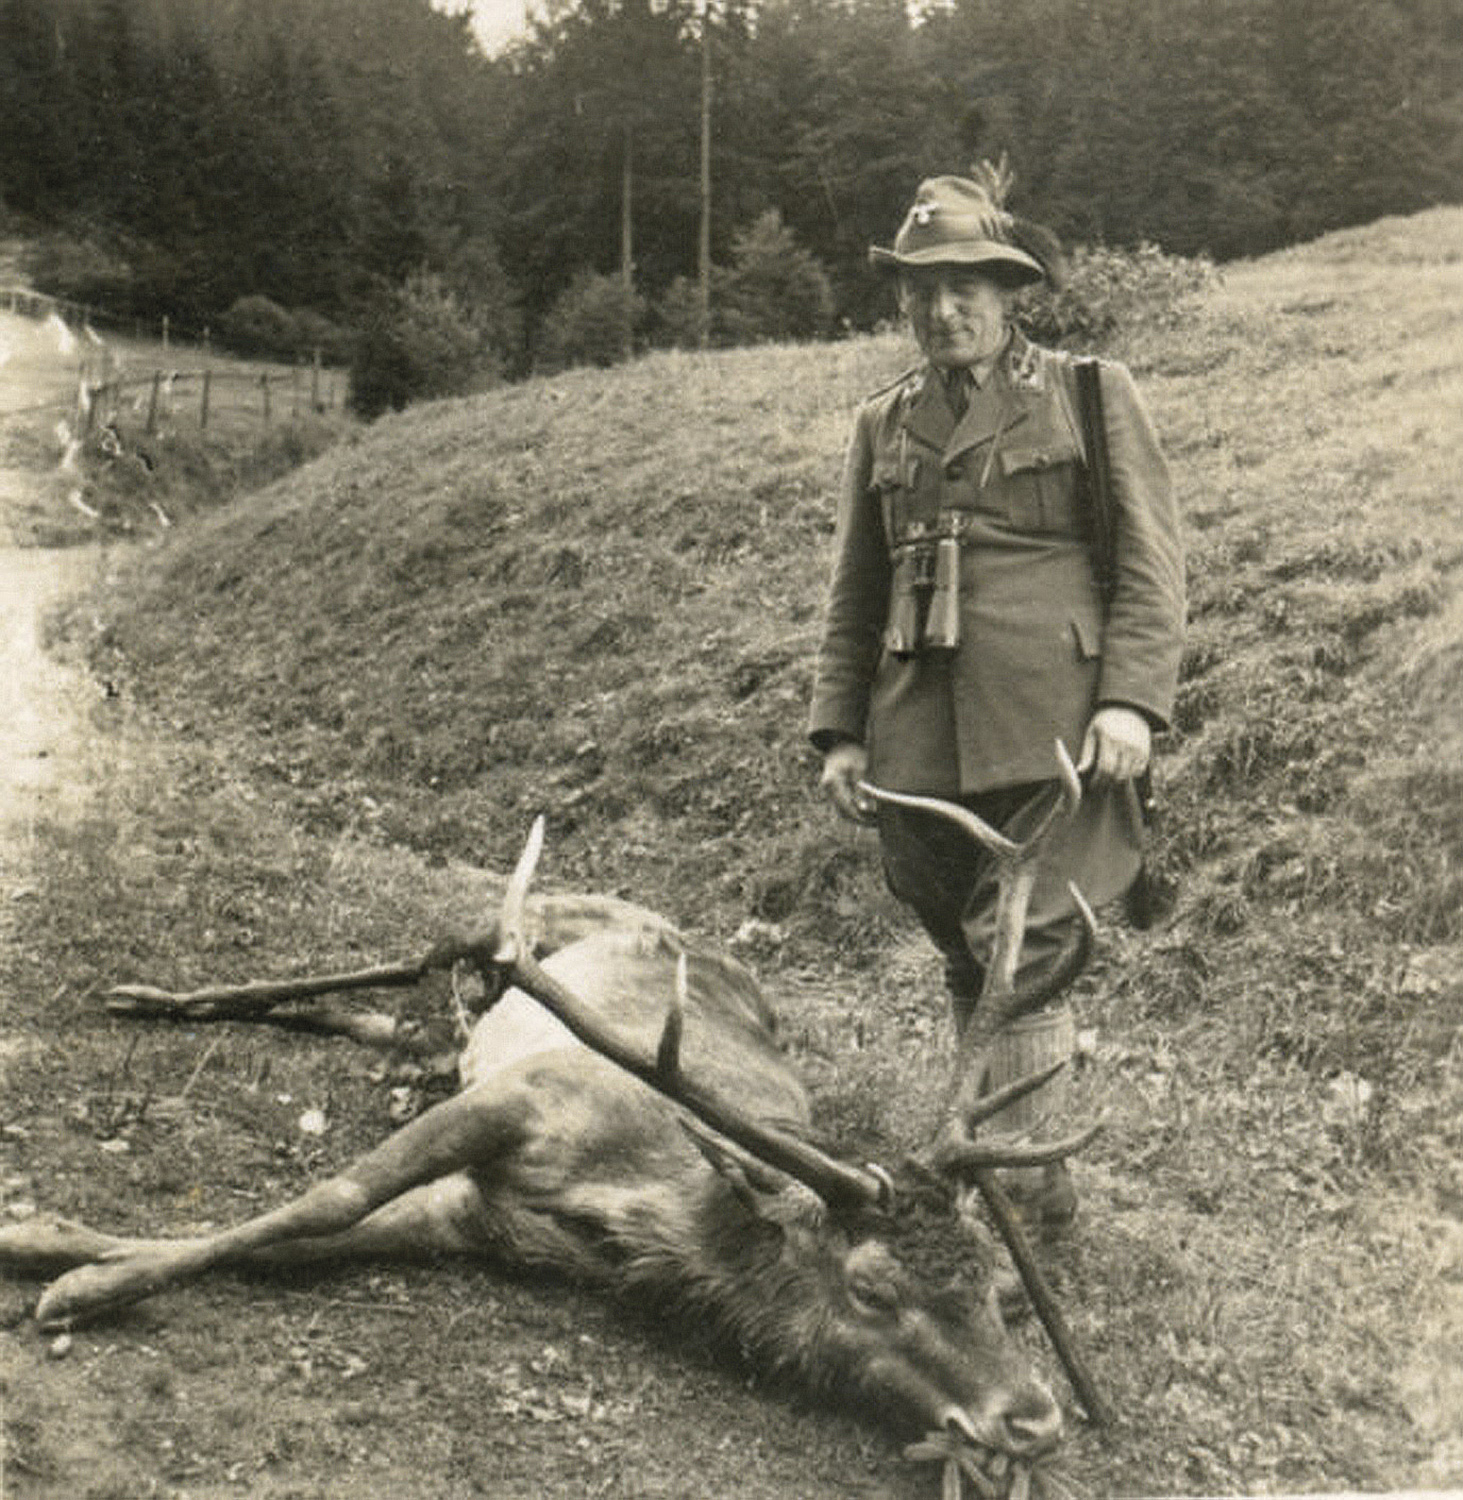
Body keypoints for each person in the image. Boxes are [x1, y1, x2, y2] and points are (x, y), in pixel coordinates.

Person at [808, 172, 1185, 1224]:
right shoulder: (882, 419)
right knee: (965, 955)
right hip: (918, 743)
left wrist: (1130, 704)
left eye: (966, 284)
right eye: (922, 290)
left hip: (1053, 734)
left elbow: (1151, 568)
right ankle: (1023, 1185)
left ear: (1008, 289)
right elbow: (856, 587)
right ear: (901, 302)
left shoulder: (1088, 394)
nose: (943, 309)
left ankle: (1013, 1212)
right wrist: (839, 730)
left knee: (1017, 949)